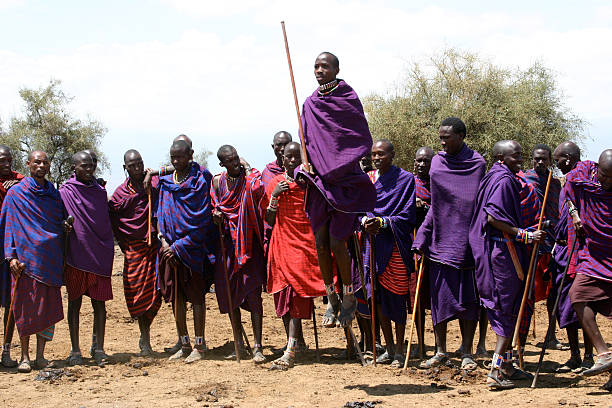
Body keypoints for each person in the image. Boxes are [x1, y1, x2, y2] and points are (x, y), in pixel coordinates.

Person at [296, 52, 376, 329]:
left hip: (344, 181)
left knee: (336, 242)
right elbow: (306, 140)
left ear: (336, 69)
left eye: (324, 66)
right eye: (316, 66)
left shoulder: (347, 97)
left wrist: (336, 165)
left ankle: (349, 295)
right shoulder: (308, 103)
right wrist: (307, 166)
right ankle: (331, 296)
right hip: (319, 182)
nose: (319, 70)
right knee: (319, 242)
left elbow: (357, 138)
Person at [470, 140, 545, 389]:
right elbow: (493, 217)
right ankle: (495, 370)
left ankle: (509, 366)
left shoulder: (496, 176)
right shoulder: (503, 180)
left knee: (511, 306)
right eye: (516, 156)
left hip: (500, 250)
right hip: (503, 252)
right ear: (502, 158)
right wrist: (525, 235)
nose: (521, 160)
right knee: (506, 308)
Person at [413, 117, 485, 370]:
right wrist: (422, 235)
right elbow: (437, 205)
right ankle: (440, 350)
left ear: (462, 136)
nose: (442, 142)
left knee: (469, 303)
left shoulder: (477, 163)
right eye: (440, 137)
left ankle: (467, 351)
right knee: (440, 300)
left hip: (468, 243)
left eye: (447, 137)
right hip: (441, 241)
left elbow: (477, 204)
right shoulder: (437, 163)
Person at [143, 134, 215, 355]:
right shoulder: (165, 183)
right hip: (167, 248)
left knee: (196, 297)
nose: (176, 162)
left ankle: (199, 345)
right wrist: (165, 242)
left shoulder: (200, 180)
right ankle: (183, 344)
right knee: (177, 297)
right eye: (172, 158)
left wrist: (178, 247)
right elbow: (160, 216)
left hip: (191, 249)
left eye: (180, 157)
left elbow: (202, 219)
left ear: (190, 155)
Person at [0, 151, 67, 373]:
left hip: (49, 259)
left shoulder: (54, 195)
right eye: (36, 162)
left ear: (49, 166)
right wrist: (10, 257)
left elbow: (60, 221)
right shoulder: (16, 194)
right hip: (24, 263)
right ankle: (25, 356)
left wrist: (65, 227)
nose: (41, 165)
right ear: (28, 165)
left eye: (45, 162)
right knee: (25, 309)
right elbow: (8, 228)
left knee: (46, 309)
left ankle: (41, 356)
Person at [265, 142, 326, 369]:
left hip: (303, 246)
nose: (292, 161)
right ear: (282, 159)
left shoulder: (310, 183)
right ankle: (295, 342)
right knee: (283, 296)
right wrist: (275, 197)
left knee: (298, 295)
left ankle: (291, 348)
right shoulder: (274, 183)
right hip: (281, 244)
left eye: (296, 157)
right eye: (287, 157)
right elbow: (269, 221)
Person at [361, 140, 415, 368]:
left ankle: (401, 351)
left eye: (381, 154)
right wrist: (364, 221)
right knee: (378, 298)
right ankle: (389, 348)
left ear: (392, 155)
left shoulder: (405, 179)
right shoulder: (368, 180)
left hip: (394, 246)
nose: (376, 158)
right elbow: (358, 208)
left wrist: (383, 222)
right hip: (371, 245)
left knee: (397, 298)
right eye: (373, 154)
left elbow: (408, 215)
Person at [211, 145, 266, 363]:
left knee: (254, 296)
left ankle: (258, 346)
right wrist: (216, 215)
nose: (235, 164)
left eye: (236, 159)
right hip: (227, 247)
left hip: (249, 246)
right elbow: (215, 206)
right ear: (222, 164)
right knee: (231, 295)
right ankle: (238, 343)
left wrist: (250, 168)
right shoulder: (217, 182)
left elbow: (259, 191)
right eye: (230, 161)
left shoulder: (250, 179)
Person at [60, 151, 114, 366]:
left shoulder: (100, 192)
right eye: (84, 166)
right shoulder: (65, 191)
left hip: (100, 253)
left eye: (91, 165)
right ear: (75, 168)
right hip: (76, 254)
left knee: (99, 304)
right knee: (75, 303)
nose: (89, 169)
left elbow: (104, 219)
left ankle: (98, 347)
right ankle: (75, 350)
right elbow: (59, 218)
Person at [109, 149, 162, 356]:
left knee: (160, 291)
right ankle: (145, 338)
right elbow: (115, 222)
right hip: (134, 250)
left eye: (140, 164)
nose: (137, 168)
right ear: (125, 168)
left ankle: (176, 340)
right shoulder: (121, 194)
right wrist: (125, 243)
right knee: (138, 295)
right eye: (132, 165)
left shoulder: (154, 185)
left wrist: (152, 175)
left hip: (154, 248)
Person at [565, 149, 612, 383]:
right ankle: (603, 353)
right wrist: (574, 213)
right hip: (593, 256)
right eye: (602, 175)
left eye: (610, 177)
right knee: (578, 295)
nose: (604, 181)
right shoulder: (585, 178)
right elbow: (568, 188)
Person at [551, 141, 595, 373]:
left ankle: (588, 356)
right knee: (566, 304)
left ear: (567, 158)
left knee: (583, 302)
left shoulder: (581, 180)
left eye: (558, 160)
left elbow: (581, 213)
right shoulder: (567, 182)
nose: (556, 165)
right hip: (562, 250)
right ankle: (574, 355)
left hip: (579, 251)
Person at [524, 144, 565, 350]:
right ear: (531, 159)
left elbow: (558, 211)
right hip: (531, 241)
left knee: (552, 293)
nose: (540, 162)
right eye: (536, 158)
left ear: (550, 161)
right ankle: (521, 337)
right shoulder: (524, 180)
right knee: (528, 291)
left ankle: (550, 335)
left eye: (544, 159)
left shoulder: (555, 184)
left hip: (552, 243)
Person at [0, 145, 24, 368]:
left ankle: (6, 351)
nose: (6, 164)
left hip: (10, 249)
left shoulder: (19, 182)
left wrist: (16, 188)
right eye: (1, 160)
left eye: (9, 160)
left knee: (11, 301)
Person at [412, 146, 434, 358]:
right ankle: (419, 342)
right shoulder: (409, 184)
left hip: (436, 246)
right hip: (415, 245)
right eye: (419, 161)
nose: (421, 165)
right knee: (417, 299)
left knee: (435, 297)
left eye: (426, 161)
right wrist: (413, 205)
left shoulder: (439, 183)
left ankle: (439, 344)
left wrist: (428, 207)